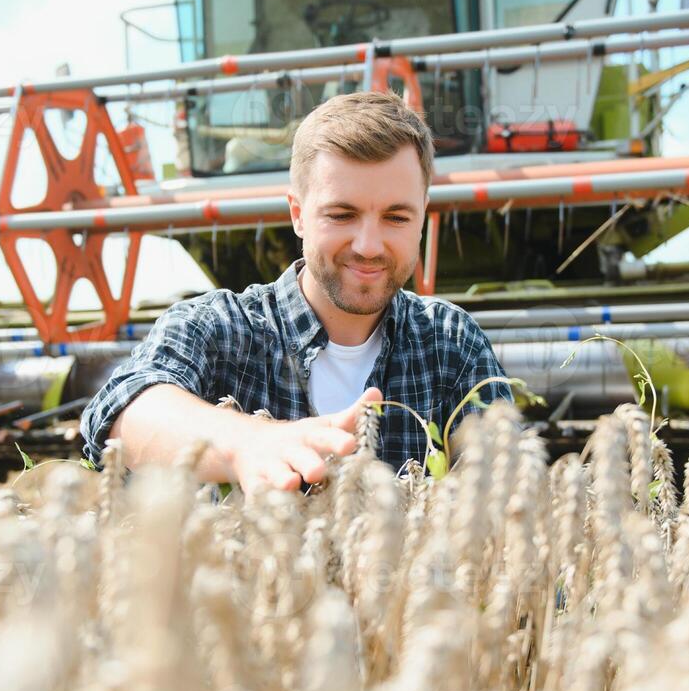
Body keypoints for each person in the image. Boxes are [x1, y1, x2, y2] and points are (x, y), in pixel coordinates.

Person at [80, 90, 510, 494]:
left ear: (422, 218)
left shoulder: (451, 343)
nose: (368, 245)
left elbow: (505, 499)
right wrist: (246, 443)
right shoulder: (217, 327)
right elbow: (123, 412)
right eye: (342, 215)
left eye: (396, 217)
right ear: (298, 215)